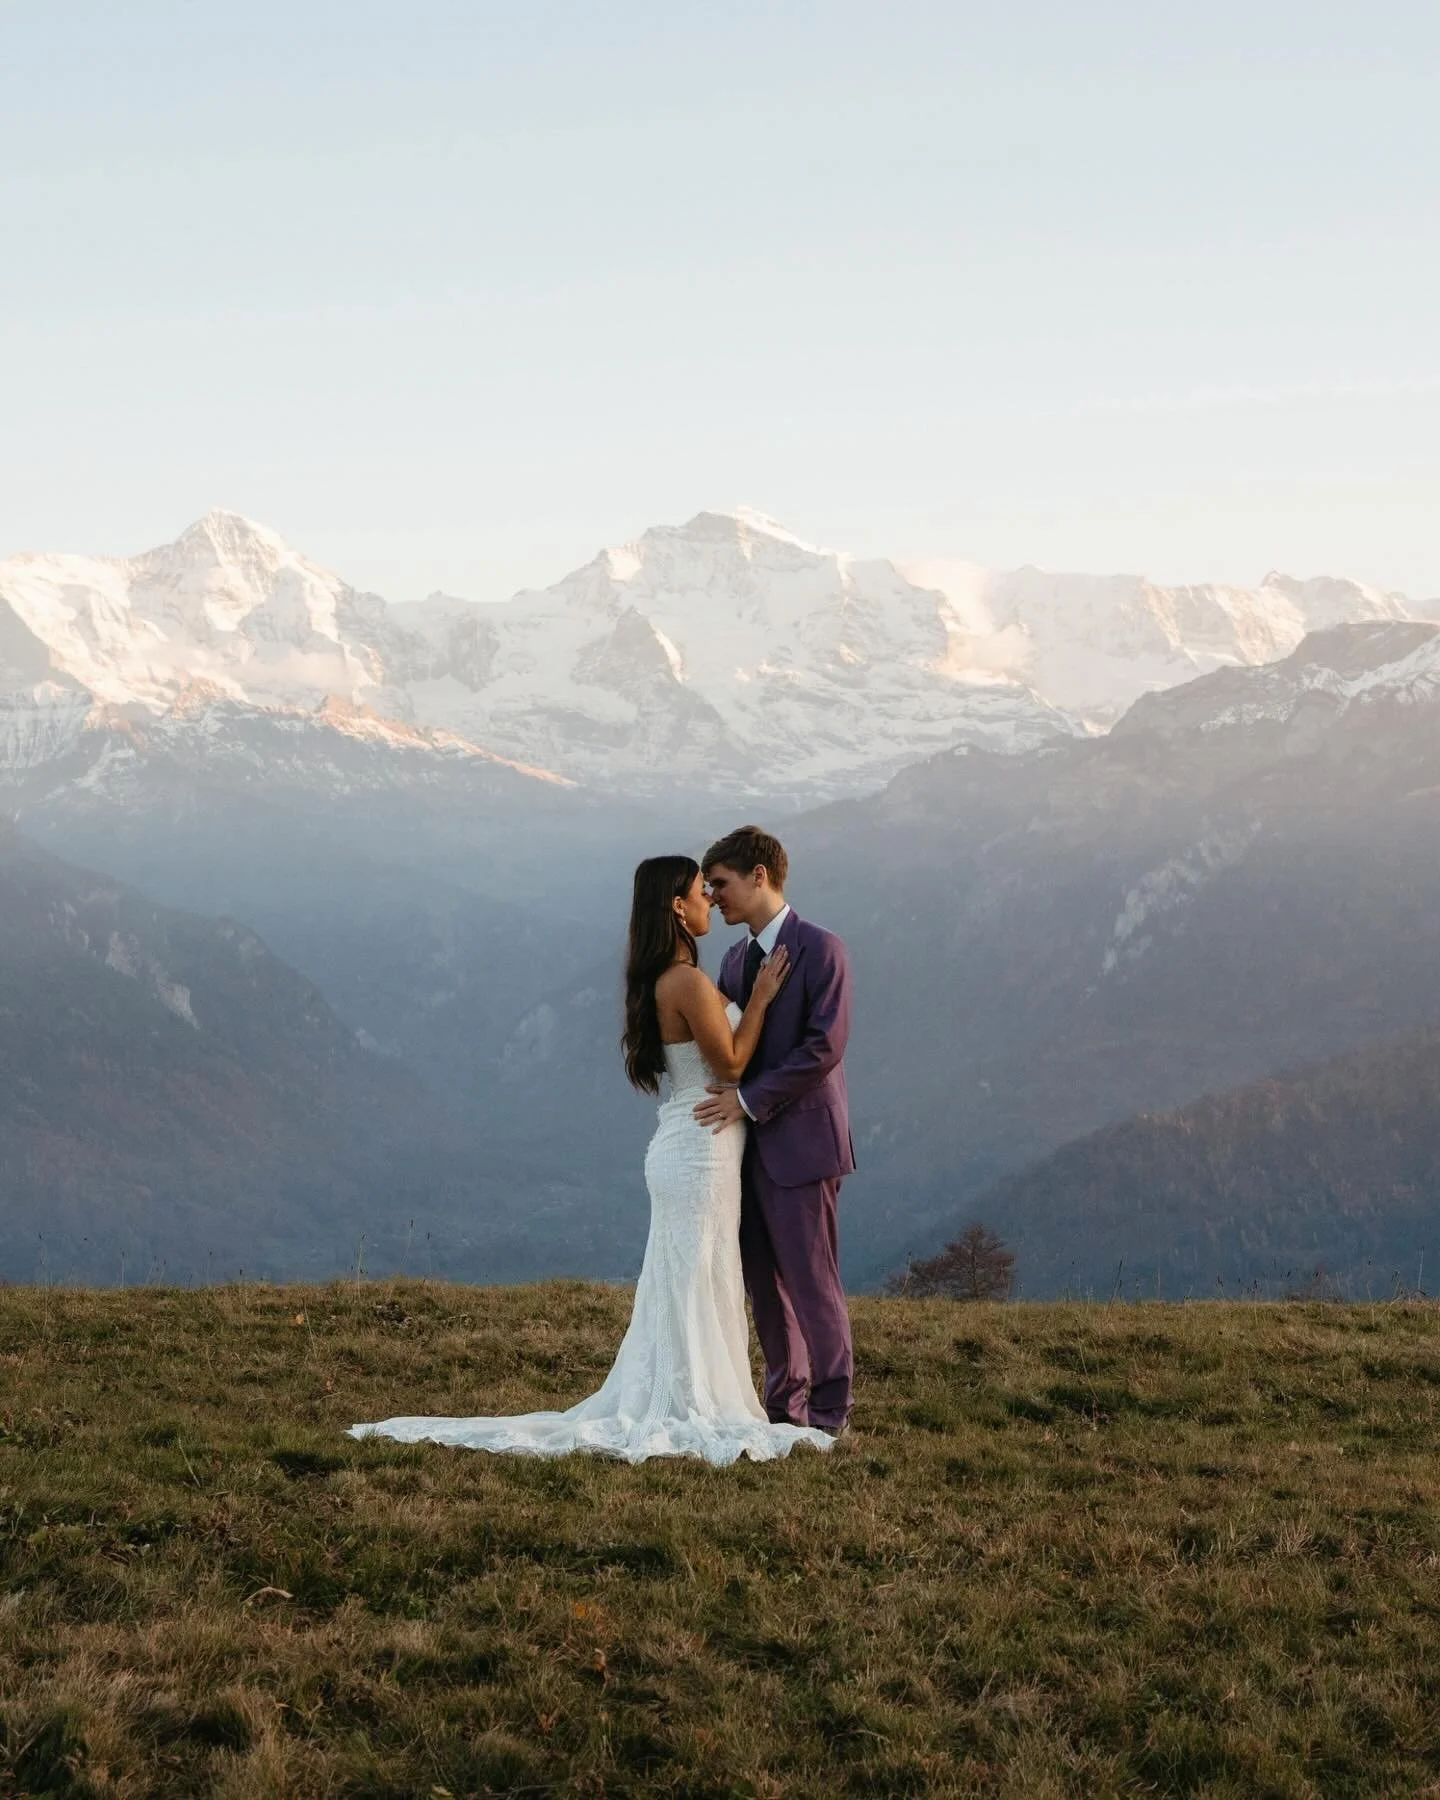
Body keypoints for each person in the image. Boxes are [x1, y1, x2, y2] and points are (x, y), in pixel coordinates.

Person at [348, 854, 834, 1464]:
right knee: (693, 1279)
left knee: (691, 1279)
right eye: (698, 893)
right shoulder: (683, 981)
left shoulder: (669, 976)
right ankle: (694, 1401)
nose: (710, 901)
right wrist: (760, 998)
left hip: (690, 1142)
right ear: (678, 909)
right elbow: (732, 1064)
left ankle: (694, 1391)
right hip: (699, 1150)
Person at [695, 825, 855, 1435]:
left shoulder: (824, 949)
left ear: (759, 875)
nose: (713, 897)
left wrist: (749, 1101)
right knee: (763, 1288)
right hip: (745, 1153)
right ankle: (782, 1411)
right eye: (707, 888)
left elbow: (824, 1048)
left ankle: (830, 1414)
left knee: (814, 1284)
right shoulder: (735, 962)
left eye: (722, 884)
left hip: (804, 1146)